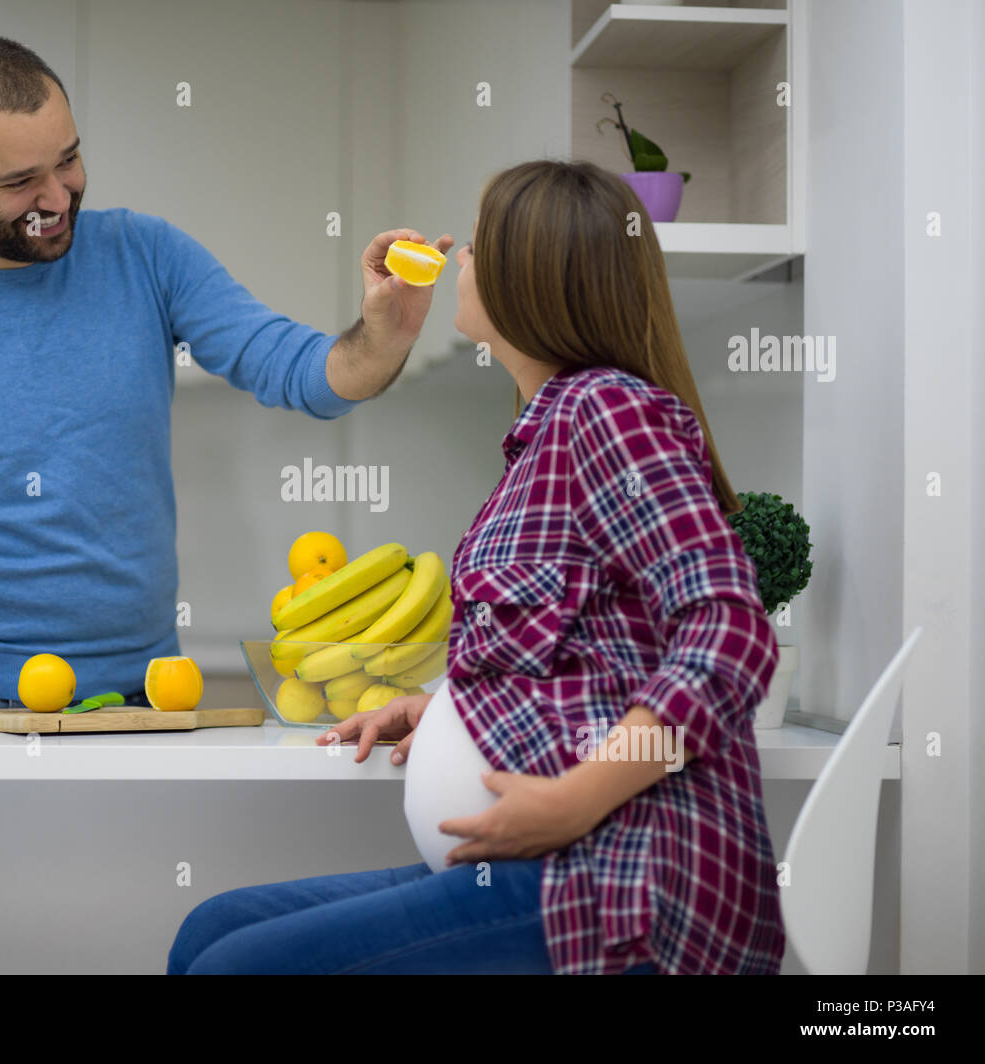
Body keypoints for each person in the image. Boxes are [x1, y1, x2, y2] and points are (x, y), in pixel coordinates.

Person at [168, 160, 786, 975]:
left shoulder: (605, 409)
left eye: (479, 244)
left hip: (609, 880)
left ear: (531, 276)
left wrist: (573, 803)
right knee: (210, 930)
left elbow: (731, 631)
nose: (461, 258)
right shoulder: (545, 433)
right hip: (529, 868)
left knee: (233, 968)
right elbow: (586, 648)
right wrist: (451, 707)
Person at [0, 37, 451, 726]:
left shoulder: (147, 255)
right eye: (20, 182)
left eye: (69, 159)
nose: (57, 197)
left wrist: (386, 333)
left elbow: (301, 373)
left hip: (149, 704)